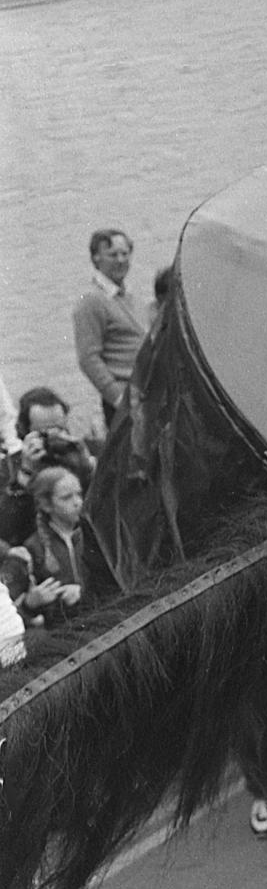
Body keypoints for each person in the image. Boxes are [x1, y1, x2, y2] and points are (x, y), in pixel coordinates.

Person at [0, 388, 96, 547]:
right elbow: (6, 531)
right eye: (44, 433)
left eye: (59, 430)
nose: (53, 438)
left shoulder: (80, 452)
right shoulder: (8, 468)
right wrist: (24, 476)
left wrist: (89, 469)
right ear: (24, 431)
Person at [72, 229, 148, 429]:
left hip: (147, 396)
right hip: (125, 402)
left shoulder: (130, 297)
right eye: (113, 254)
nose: (121, 260)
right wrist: (119, 399)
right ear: (96, 259)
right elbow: (88, 358)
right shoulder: (91, 301)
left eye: (125, 253)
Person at [21, 467, 86, 627]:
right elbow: (18, 615)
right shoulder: (33, 547)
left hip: (106, 623)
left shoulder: (94, 535)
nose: (77, 502)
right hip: (64, 635)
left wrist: (82, 592)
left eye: (79, 494)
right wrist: (30, 602)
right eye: (66, 498)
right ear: (46, 505)